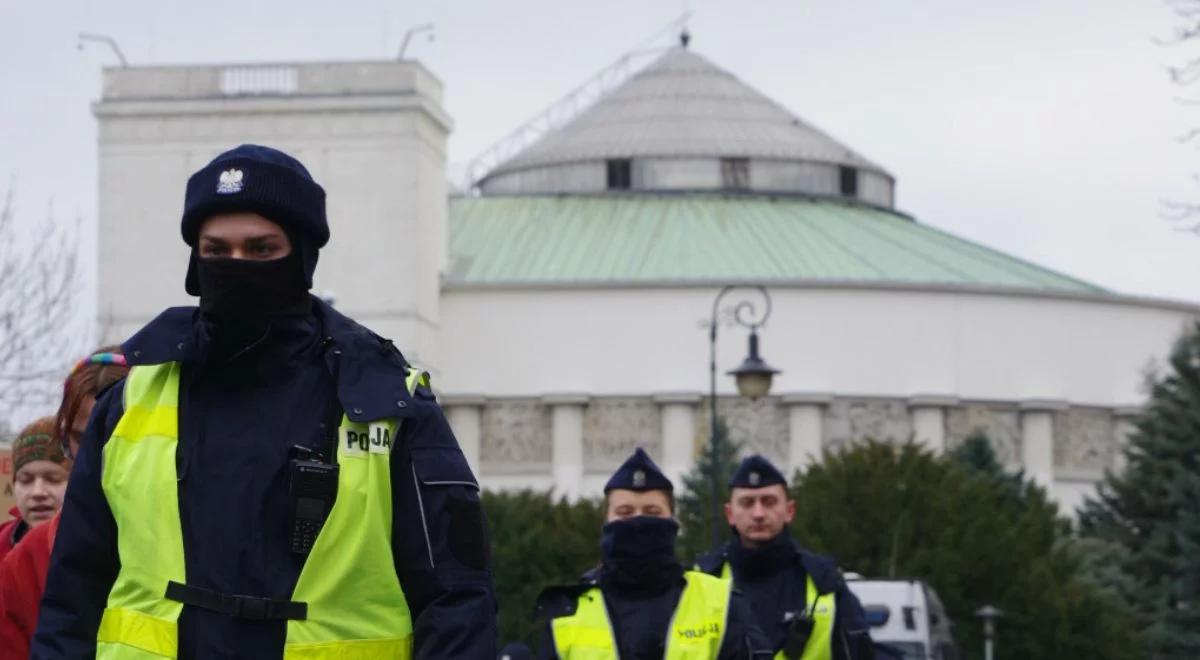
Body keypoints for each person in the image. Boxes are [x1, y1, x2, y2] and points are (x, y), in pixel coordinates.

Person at [34, 144, 497, 658]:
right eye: (216, 251)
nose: (237, 266)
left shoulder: (388, 399)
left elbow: (456, 598)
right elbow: (72, 597)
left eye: (260, 250)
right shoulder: (130, 400)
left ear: (302, 256)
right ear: (195, 260)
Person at [536, 448, 770, 659]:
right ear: (605, 523)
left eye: (652, 511)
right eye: (625, 512)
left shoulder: (721, 602)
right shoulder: (567, 614)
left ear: (673, 521)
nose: (639, 520)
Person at [0, 351, 128, 659]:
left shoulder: (202, 535)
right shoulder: (24, 563)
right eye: (82, 438)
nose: (99, 454)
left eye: (118, 435)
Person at [695, 455, 875, 660]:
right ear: (730, 514)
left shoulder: (826, 583)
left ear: (789, 511)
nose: (758, 513)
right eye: (747, 503)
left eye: (769, 502)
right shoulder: (703, 580)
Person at [0, 418, 68, 564]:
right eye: (26, 480)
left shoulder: (102, 547)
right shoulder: (2, 545)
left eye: (53, 479)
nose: (37, 492)